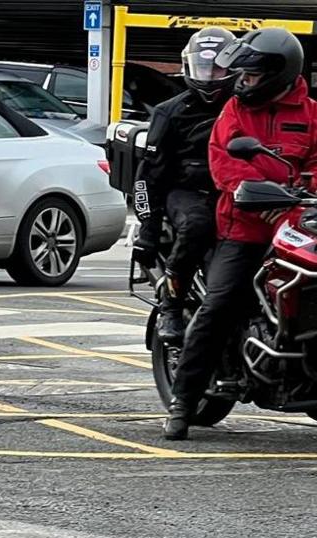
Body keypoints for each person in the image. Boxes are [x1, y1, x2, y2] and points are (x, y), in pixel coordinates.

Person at [162, 27, 317, 440]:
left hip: (298, 225)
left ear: (279, 74)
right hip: (243, 227)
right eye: (241, 74)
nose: (243, 81)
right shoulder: (234, 112)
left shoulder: (313, 113)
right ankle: (183, 401)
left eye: (252, 75)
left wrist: (311, 188)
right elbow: (224, 164)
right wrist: (262, 193)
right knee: (219, 305)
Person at [132, 27, 239, 344]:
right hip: (186, 191)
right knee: (197, 224)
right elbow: (148, 175)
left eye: (216, 69)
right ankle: (172, 305)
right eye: (203, 68)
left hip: (235, 191)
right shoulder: (169, 112)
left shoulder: (244, 107)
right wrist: (148, 230)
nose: (209, 77)